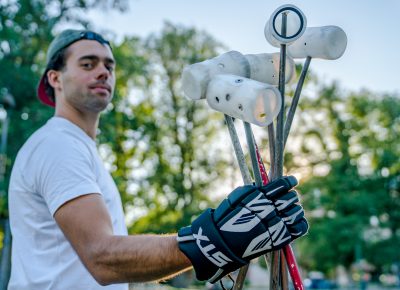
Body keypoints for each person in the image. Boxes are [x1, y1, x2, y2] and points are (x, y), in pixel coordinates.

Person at [8, 29, 308, 290]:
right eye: (88, 64)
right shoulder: (58, 144)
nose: (103, 72)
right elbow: (102, 258)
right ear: (55, 78)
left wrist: (216, 244)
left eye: (109, 66)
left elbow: (114, 264)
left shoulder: (75, 147)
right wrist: (210, 241)